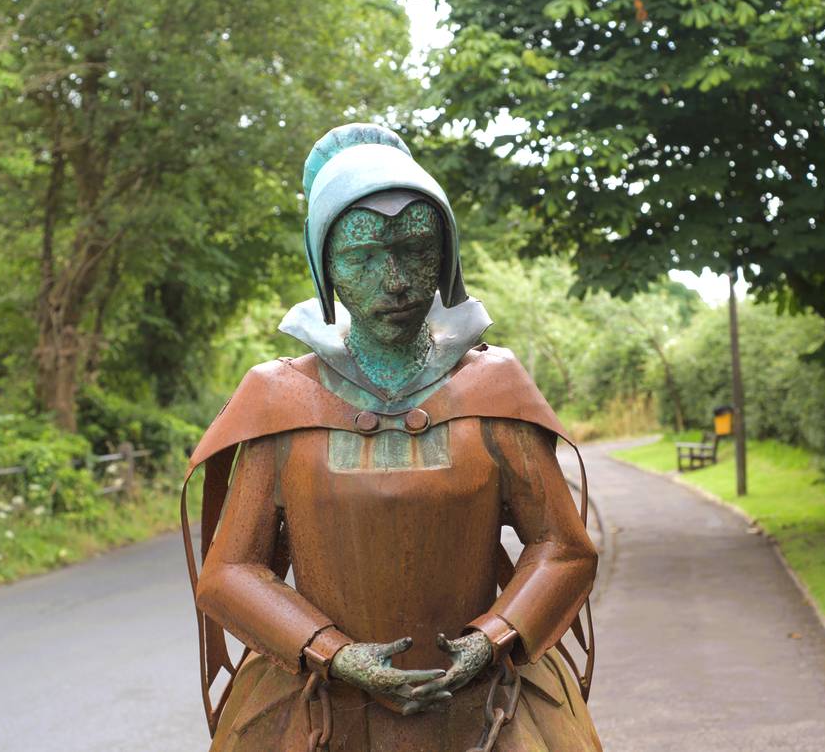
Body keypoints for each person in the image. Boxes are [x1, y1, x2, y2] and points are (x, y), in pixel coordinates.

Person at [182, 123, 603, 751]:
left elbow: (562, 546)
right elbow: (231, 570)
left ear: (447, 255)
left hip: (486, 705)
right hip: (319, 707)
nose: (398, 281)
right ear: (326, 269)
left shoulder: (493, 392)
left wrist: (494, 638)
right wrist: (333, 655)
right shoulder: (279, 401)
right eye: (363, 258)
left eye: (415, 249)